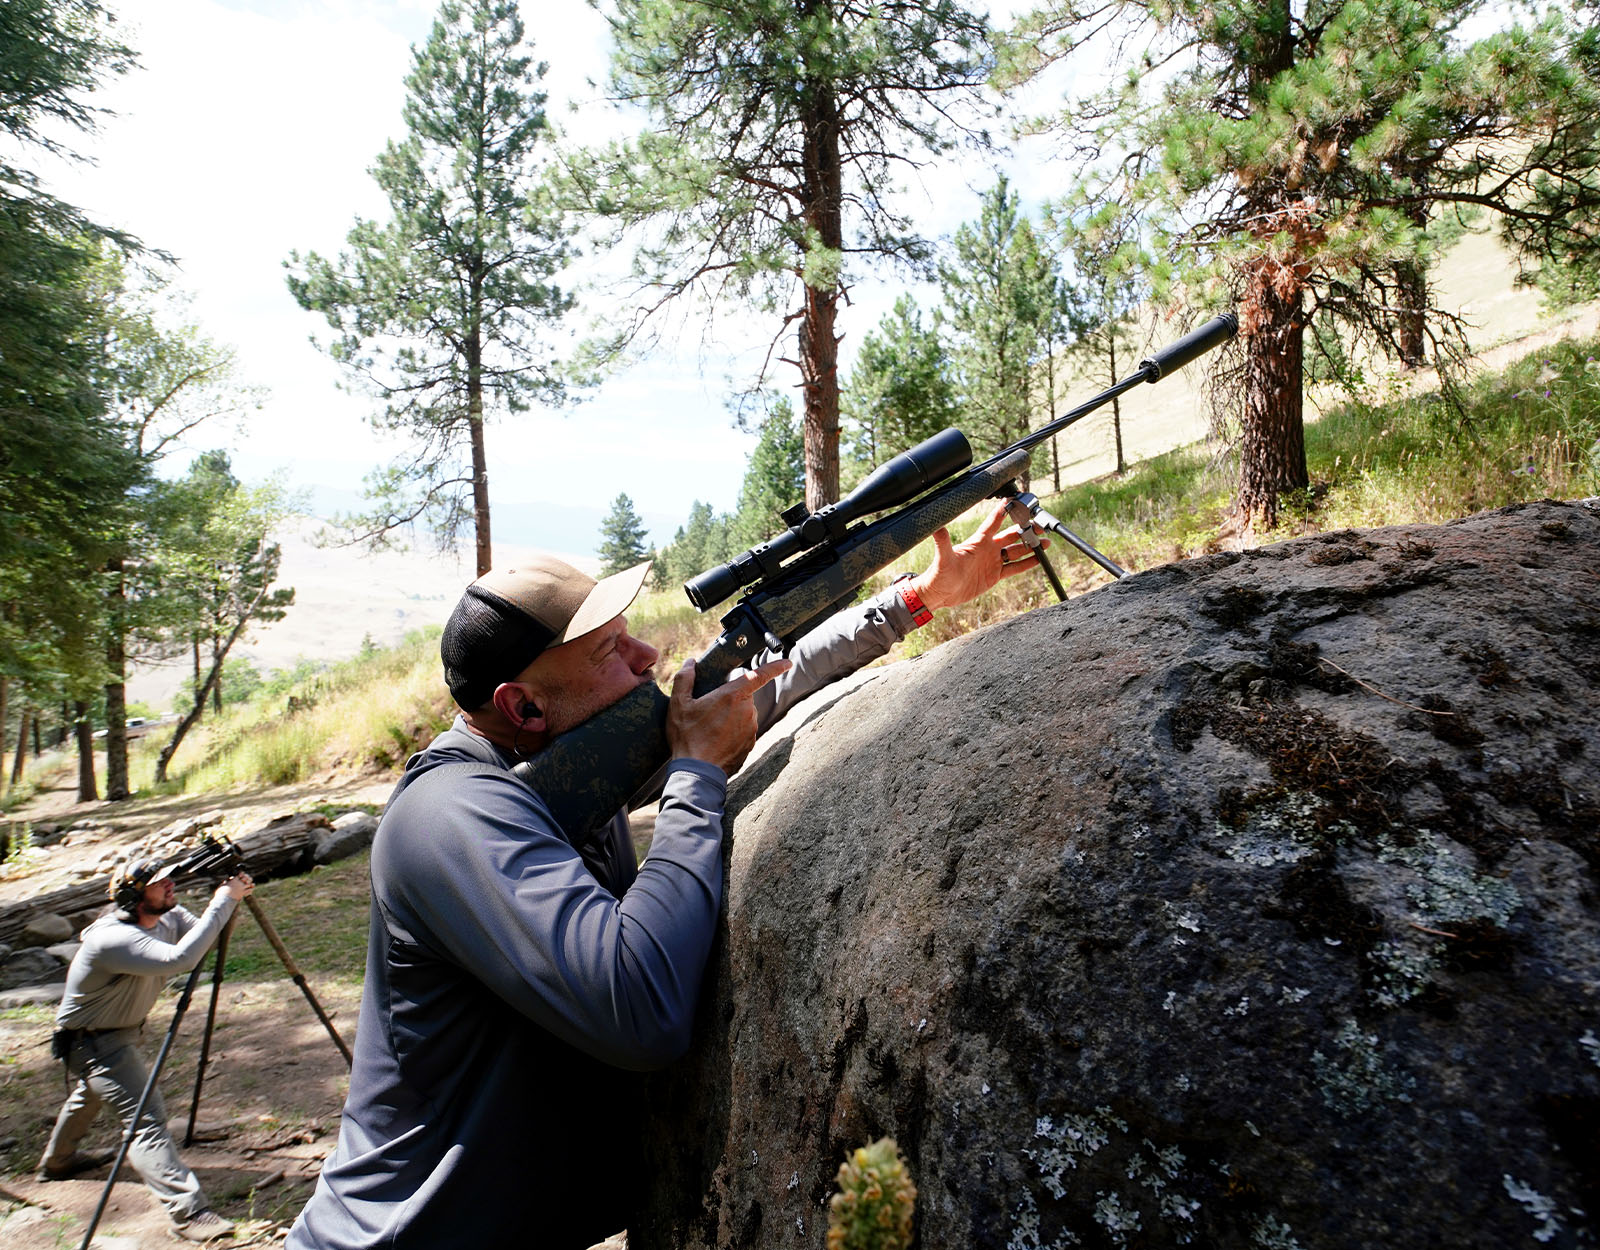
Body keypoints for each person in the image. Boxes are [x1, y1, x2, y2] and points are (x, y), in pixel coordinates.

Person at [287, 504, 1043, 1250]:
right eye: (609, 651)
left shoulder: (567, 766)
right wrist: (691, 779)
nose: (648, 656)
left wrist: (917, 599)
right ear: (523, 706)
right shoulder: (445, 814)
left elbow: (751, 696)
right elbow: (638, 1007)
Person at [39, 855, 255, 1243]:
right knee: (146, 1120)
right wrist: (224, 899)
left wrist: (229, 897)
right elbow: (182, 958)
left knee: (91, 1095)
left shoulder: (166, 918)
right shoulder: (112, 938)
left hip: (112, 1035)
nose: (171, 887)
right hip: (92, 1042)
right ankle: (189, 1213)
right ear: (133, 896)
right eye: (160, 884)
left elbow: (208, 935)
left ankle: (58, 1162)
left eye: (171, 881)